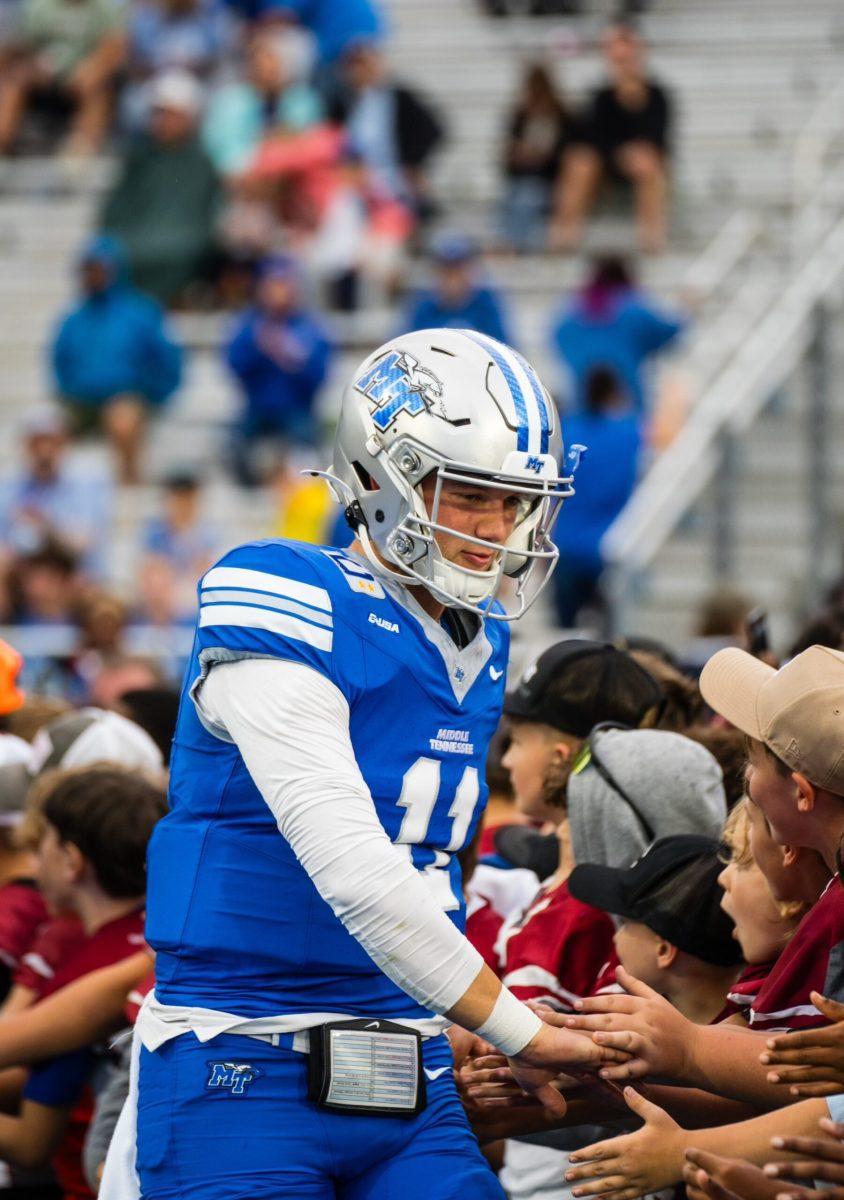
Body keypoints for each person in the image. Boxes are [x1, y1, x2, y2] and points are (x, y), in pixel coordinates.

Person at [101, 328, 626, 1200]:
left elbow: (429, 864)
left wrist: (449, 1009)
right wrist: (515, 1025)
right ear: (385, 476)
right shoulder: (281, 590)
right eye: (469, 495)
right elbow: (348, 860)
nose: (498, 530)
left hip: (407, 1073)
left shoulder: (479, 643)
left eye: (517, 501)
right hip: (240, 1060)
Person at [0, 765, 165, 1197]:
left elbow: (31, 1140)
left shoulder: (95, 968)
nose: (35, 862)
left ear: (71, 861)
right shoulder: (151, 937)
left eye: (42, 845)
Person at [50, 235, 183, 484]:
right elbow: (59, 362)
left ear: (116, 269)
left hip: (125, 398)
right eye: (89, 270)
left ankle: (128, 487)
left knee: (122, 419)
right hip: (79, 402)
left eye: (100, 269)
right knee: (45, 428)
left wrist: (151, 395)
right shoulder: (74, 318)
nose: (93, 275)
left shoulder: (141, 313)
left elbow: (168, 361)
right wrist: (70, 390)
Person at [99, 69, 222, 305]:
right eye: (157, 114)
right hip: (137, 241)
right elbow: (117, 209)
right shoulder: (139, 157)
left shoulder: (201, 161)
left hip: (183, 243)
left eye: (168, 114)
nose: (161, 121)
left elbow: (206, 213)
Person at [551, 22, 673, 253]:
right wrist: (621, 153)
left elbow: (660, 138)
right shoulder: (602, 97)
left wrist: (638, 153)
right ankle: (564, 238)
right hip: (607, 164)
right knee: (579, 163)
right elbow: (593, 137)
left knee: (650, 166)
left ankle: (652, 242)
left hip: (642, 164)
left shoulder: (657, 96)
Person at [223, 253, 333, 485]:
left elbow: (319, 376)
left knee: (305, 448)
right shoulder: (250, 325)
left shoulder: (310, 327)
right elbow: (235, 365)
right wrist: (259, 348)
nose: (277, 291)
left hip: (298, 413)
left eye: (282, 284)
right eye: (272, 284)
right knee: (234, 447)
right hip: (257, 411)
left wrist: (292, 358)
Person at [550, 367, 641, 628]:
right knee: (611, 638)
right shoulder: (630, 434)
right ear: (614, 394)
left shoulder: (567, 431)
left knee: (563, 635)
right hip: (611, 546)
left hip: (565, 545)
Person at [549, 254, 685, 415]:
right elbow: (668, 330)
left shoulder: (572, 311)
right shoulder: (632, 307)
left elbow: (558, 336)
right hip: (627, 393)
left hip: (583, 396)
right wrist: (686, 310)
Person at [331, 39, 443, 217]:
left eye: (366, 63)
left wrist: (412, 163)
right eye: (356, 65)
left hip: (394, 178)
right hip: (356, 182)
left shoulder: (400, 98)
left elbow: (433, 130)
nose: (362, 71)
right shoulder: (341, 103)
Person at [0, 0, 124, 158]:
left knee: (98, 88)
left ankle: (81, 153)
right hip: (42, 74)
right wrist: (34, 65)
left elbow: (115, 48)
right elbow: (22, 45)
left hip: (85, 75)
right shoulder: (39, 6)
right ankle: (2, 143)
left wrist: (92, 69)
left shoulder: (104, 9)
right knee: (14, 81)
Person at [0, 407, 112, 579]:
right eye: (36, 443)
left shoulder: (87, 483)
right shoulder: (9, 487)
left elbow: (84, 543)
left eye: (51, 442)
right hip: (24, 579)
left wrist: (46, 527)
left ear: (64, 443)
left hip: (76, 579)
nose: (44, 451)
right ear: (26, 446)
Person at [499, 62, 571, 253]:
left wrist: (541, 156)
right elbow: (507, 160)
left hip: (550, 183)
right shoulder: (520, 117)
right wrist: (518, 155)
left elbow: (566, 156)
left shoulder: (562, 117)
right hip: (521, 180)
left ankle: (515, 249)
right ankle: (512, 247)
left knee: (526, 198)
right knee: (515, 198)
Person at [136, 472, 219, 625]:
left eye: (187, 500)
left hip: (191, 595)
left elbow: (207, 570)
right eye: (178, 499)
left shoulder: (208, 534)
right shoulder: (155, 532)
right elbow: (151, 569)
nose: (182, 506)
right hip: (165, 598)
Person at [400, 233, 513, 343]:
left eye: (458, 270)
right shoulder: (423, 304)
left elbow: (504, 346)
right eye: (447, 271)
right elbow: (405, 343)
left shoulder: (486, 303)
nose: (453, 278)